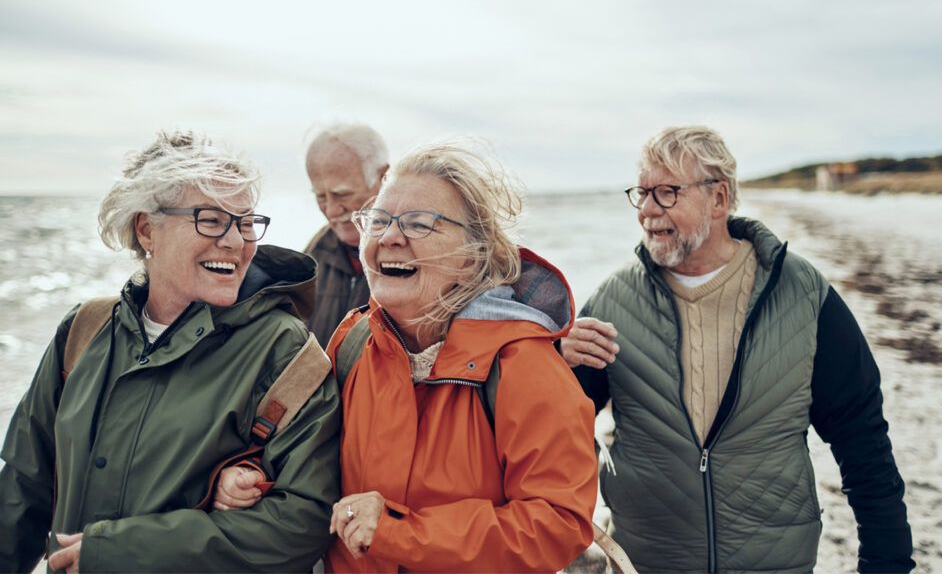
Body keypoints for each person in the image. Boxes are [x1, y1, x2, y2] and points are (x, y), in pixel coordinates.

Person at [217, 142, 599, 572]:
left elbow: (558, 524)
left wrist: (400, 532)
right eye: (378, 220)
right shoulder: (353, 341)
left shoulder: (523, 365)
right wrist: (245, 480)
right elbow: (298, 459)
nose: (389, 237)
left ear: (474, 252)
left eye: (420, 224)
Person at [561, 126, 915, 573]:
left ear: (719, 199)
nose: (647, 210)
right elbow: (554, 432)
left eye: (667, 192)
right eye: (642, 193)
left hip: (774, 563)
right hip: (646, 563)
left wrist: (887, 563)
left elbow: (863, 441)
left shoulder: (801, 294)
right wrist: (557, 365)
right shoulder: (613, 301)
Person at [0, 131, 340, 572]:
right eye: (211, 220)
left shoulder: (285, 351)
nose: (236, 242)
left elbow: (302, 522)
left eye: (245, 221)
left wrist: (119, 552)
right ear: (147, 230)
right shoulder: (85, 330)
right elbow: (23, 488)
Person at [304, 122, 389, 346]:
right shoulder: (313, 256)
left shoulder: (416, 255)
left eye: (342, 194)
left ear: (384, 178)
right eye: (321, 196)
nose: (331, 211)